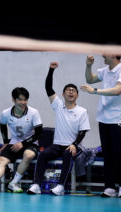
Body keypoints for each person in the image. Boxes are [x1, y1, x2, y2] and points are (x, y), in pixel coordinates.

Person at [27, 62, 90, 196]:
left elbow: (83, 131)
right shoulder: (58, 105)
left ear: (77, 95)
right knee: (43, 155)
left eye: (74, 90)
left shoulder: (82, 111)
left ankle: (60, 186)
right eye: (68, 90)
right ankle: (36, 184)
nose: (71, 91)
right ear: (63, 94)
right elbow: (48, 87)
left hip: (72, 146)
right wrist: (51, 70)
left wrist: (74, 144)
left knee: (68, 155)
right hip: (57, 145)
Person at [81, 54, 121, 198]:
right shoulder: (105, 70)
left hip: (118, 119)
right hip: (103, 118)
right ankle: (109, 187)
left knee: (118, 153)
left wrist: (95, 91)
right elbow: (89, 79)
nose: (103, 55)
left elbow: (118, 90)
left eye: (106, 53)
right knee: (107, 154)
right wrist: (88, 66)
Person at [0, 87, 43, 193]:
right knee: (1, 160)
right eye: (20, 100)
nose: (23, 102)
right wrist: (6, 142)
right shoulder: (6, 113)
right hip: (14, 143)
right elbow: (3, 126)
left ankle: (13, 183)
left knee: (29, 155)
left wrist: (23, 143)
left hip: (30, 142)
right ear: (14, 100)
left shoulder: (34, 113)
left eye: (25, 100)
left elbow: (39, 133)